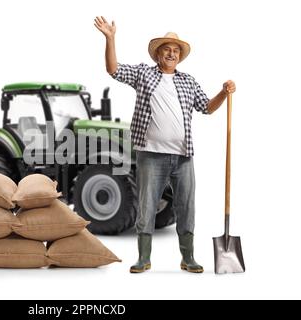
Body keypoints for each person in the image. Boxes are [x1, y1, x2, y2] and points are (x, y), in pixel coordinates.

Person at [94, 16, 236, 273]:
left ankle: (188, 258)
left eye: (175, 51)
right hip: (151, 155)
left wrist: (223, 94)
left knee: (186, 207)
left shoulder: (188, 81)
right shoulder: (143, 74)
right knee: (147, 206)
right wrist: (110, 38)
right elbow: (113, 69)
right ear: (157, 54)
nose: (171, 54)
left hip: (183, 156)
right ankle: (143, 258)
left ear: (179, 57)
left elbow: (206, 107)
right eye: (167, 50)